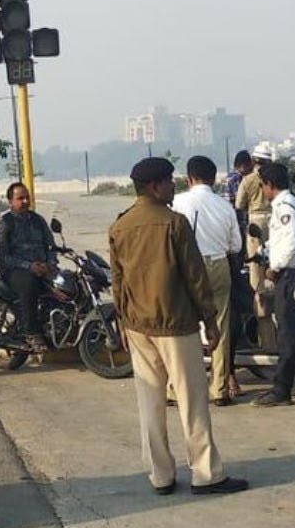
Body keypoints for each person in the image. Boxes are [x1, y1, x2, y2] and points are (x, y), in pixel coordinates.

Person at [108, 157, 248, 496]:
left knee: (150, 402)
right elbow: (195, 276)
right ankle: (205, 473)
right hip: (176, 323)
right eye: (169, 181)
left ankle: (161, 475)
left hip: (139, 325)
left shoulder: (120, 226)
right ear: (155, 186)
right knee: (192, 400)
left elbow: (118, 282)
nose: (174, 186)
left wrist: (124, 323)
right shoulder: (175, 223)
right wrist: (210, 321)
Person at [171, 156, 242, 405]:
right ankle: (219, 388)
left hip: (188, 267)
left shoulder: (178, 202)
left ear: (189, 178)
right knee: (220, 326)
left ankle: (175, 389)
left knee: (183, 326)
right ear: (213, 179)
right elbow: (236, 245)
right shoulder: (225, 206)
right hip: (219, 264)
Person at [252, 162, 295, 407]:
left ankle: (281, 389)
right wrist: (264, 250)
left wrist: (273, 269)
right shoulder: (292, 203)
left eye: (263, 186)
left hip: (288, 275)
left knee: (287, 334)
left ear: (269, 185)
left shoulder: (284, 207)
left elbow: (290, 243)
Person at [0, 182, 57, 352]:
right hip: (15, 272)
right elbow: (2, 256)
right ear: (10, 201)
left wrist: (50, 263)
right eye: (20, 198)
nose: (25, 201)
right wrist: (29, 266)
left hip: (41, 267)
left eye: (27, 197)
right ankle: (32, 332)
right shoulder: (4, 224)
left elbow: (50, 245)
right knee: (30, 284)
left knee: (65, 283)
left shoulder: (38, 220)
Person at [236, 144, 275, 348]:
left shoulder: (249, 179)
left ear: (254, 160)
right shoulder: (274, 178)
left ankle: (260, 310)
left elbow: (239, 204)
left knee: (255, 272)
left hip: (256, 222)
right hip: (275, 221)